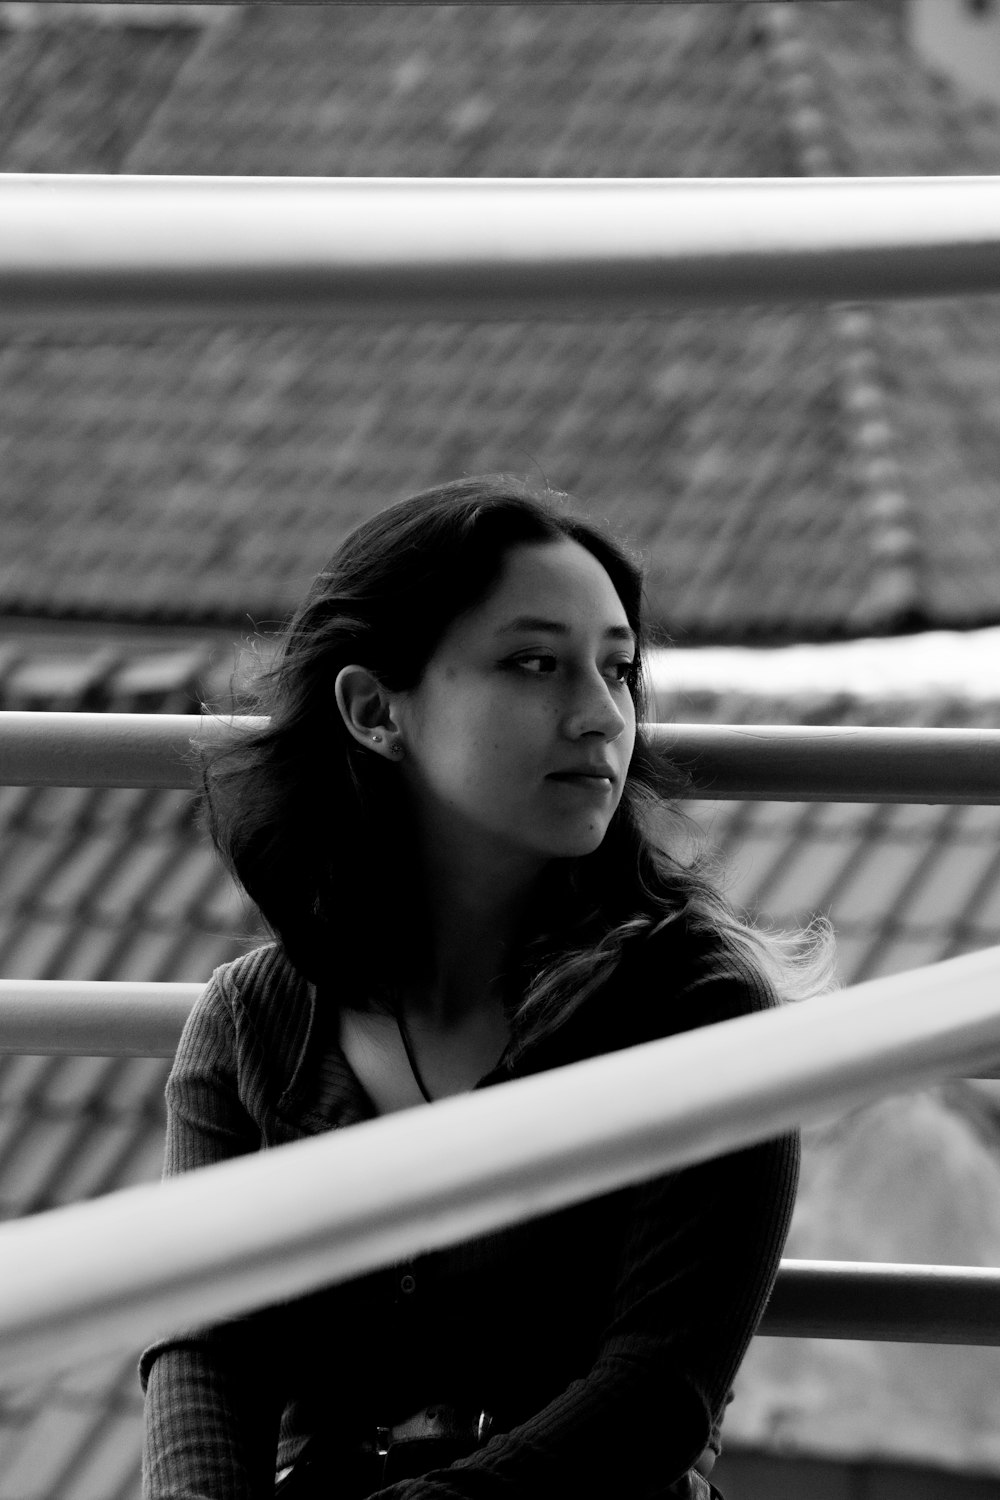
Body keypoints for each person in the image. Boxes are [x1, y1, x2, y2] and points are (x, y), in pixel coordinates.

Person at [140, 474, 832, 1500]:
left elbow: (655, 1396)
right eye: (534, 664)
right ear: (375, 709)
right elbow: (205, 1353)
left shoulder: (696, 1014)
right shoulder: (253, 1025)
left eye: (618, 670)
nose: (601, 717)